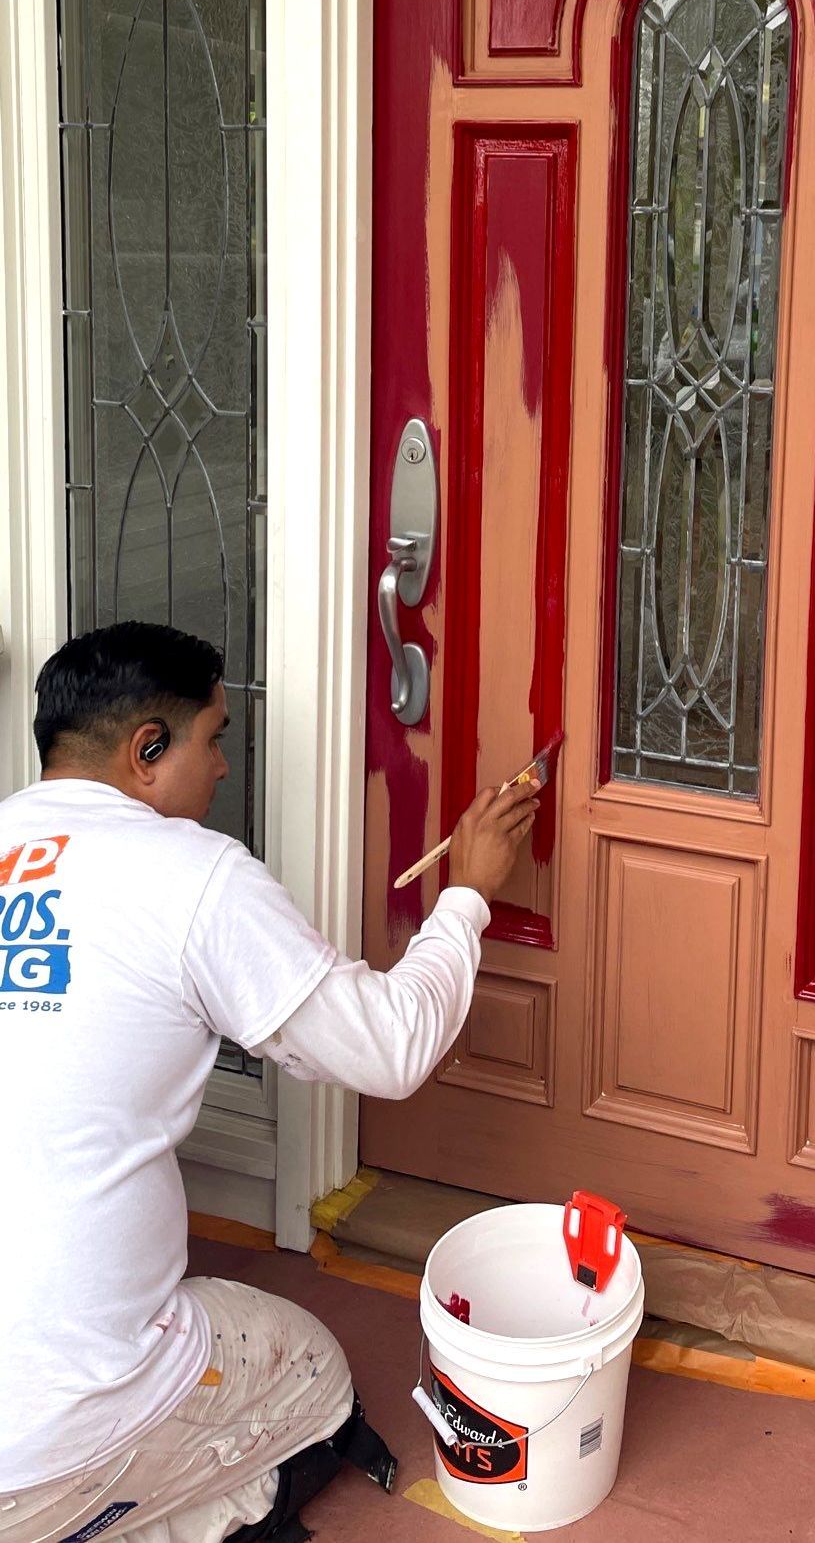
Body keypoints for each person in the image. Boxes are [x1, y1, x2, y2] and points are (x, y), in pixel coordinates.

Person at [0, 622, 537, 1543]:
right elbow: (394, 1046)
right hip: (42, 1442)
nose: (220, 770)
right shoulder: (189, 873)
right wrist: (469, 894)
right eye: (214, 739)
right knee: (313, 1374)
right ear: (147, 749)